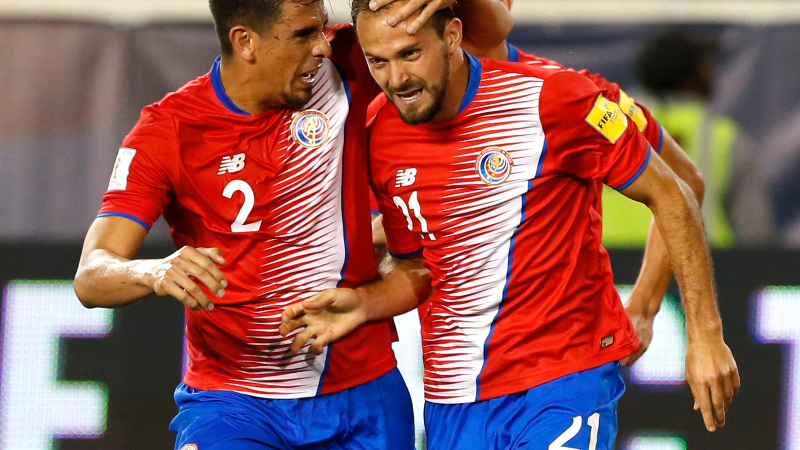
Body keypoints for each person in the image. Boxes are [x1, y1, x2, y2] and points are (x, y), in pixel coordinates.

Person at [281, 2, 740, 449]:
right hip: (455, 398)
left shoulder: (563, 94)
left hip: (562, 379)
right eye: (379, 61)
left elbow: (678, 189)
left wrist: (697, 332)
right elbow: (415, 266)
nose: (396, 78)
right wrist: (365, 302)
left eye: (410, 54)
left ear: (454, 33)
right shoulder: (379, 127)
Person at [73, 0, 507, 448]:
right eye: (303, 34)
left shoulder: (349, 64)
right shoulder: (168, 130)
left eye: (320, 28)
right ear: (246, 42)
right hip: (235, 403)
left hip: (363, 397)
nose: (323, 45)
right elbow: (91, 277)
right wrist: (152, 271)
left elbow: (488, 31)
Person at [365, 0, 705, 365]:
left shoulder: (575, 92)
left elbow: (683, 181)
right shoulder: (394, 116)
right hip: (458, 375)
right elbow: (394, 246)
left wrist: (644, 305)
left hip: (564, 361)